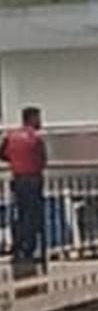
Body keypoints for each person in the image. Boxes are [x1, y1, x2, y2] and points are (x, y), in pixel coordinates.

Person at [0, 106, 46, 268]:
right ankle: (30, 249)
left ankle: (18, 246)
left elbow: (3, 154)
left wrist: (15, 162)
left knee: (21, 213)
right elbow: (42, 160)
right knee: (33, 216)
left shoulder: (11, 136)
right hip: (33, 179)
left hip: (18, 179)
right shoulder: (35, 139)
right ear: (31, 118)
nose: (40, 121)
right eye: (38, 118)